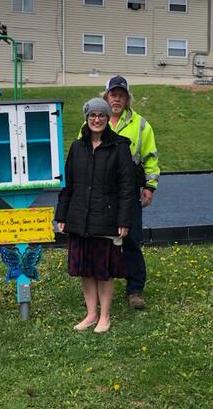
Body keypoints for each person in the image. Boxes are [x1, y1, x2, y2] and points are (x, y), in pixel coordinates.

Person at [55, 98, 135, 333]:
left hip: (107, 218)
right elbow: (68, 185)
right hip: (79, 218)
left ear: (107, 117)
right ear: (86, 118)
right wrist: (62, 215)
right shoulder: (77, 147)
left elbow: (127, 187)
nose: (97, 120)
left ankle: (105, 316)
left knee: (104, 270)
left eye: (101, 115)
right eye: (92, 115)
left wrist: (124, 220)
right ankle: (91, 314)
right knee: (86, 269)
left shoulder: (119, 147)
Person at [102, 75, 160, 310]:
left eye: (121, 95)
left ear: (127, 99)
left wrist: (149, 186)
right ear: (106, 97)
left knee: (132, 240)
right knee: (101, 241)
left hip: (129, 194)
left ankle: (135, 290)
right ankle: (102, 288)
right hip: (102, 195)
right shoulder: (93, 121)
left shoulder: (141, 124)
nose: (116, 99)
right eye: (113, 94)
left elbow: (150, 157)